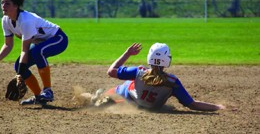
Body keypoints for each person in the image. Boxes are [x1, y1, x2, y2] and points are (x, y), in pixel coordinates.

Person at [0, 0, 68, 105]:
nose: (3, 6)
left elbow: (25, 49)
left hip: (58, 39)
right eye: (2, 3)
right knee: (18, 66)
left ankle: (48, 91)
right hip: (40, 43)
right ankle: (38, 96)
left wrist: (19, 75)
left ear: (16, 6)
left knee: (37, 52)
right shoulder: (5, 21)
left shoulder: (25, 21)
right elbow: (8, 45)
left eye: (7, 3)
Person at [86, 42, 225, 112]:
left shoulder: (139, 71)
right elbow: (193, 104)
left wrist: (127, 54)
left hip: (125, 96)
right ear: (167, 60)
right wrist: (218, 107)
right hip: (143, 106)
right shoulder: (173, 82)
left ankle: (92, 97)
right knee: (123, 93)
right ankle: (102, 99)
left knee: (104, 94)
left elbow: (111, 71)